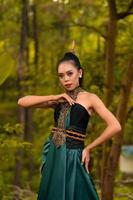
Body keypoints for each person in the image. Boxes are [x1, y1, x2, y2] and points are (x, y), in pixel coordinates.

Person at [18, 52, 121, 200]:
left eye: (69, 73)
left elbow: (115, 126)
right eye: (61, 76)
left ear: (80, 73)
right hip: (55, 153)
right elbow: (22, 101)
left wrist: (89, 148)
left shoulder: (91, 98)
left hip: (74, 156)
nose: (66, 79)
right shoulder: (59, 100)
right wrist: (55, 97)